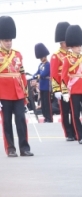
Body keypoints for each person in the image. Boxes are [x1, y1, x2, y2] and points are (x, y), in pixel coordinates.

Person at [0, 16, 33, 157]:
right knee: (7, 122)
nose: (9, 43)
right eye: (6, 40)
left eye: (10, 40)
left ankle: (24, 148)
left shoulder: (17, 54)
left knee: (21, 120)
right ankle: (11, 148)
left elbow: (22, 74)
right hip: (3, 92)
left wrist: (25, 94)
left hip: (18, 92)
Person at [61, 25, 82, 144]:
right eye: (76, 46)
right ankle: (80, 136)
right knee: (75, 114)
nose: (79, 48)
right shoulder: (67, 59)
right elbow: (64, 76)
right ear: (72, 46)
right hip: (74, 89)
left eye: (80, 45)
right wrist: (65, 91)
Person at [51, 22, 76, 141]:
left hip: (74, 86)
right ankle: (68, 133)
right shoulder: (56, 56)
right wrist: (57, 89)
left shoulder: (73, 54)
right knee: (65, 112)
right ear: (61, 42)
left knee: (75, 110)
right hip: (63, 87)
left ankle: (76, 131)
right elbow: (54, 74)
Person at [33, 43, 53, 123]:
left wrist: (37, 76)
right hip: (42, 85)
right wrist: (34, 76)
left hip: (46, 85)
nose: (41, 59)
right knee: (43, 103)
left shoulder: (48, 64)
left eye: (42, 57)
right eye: (40, 57)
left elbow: (44, 73)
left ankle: (49, 118)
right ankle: (45, 116)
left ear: (45, 56)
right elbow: (37, 72)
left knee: (47, 103)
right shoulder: (40, 65)